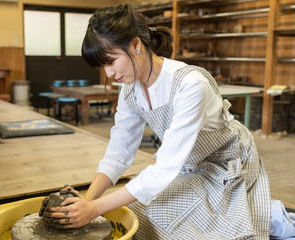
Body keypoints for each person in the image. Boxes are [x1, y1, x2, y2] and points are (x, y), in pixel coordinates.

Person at [50, 4, 271, 239]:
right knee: (136, 212)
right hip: (187, 164)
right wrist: (87, 201)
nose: (109, 74)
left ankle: (267, 212)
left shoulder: (190, 84)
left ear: (136, 45)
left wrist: (95, 209)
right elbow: (119, 153)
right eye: (103, 66)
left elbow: (165, 167)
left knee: (173, 221)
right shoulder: (130, 91)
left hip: (227, 164)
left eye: (111, 61)